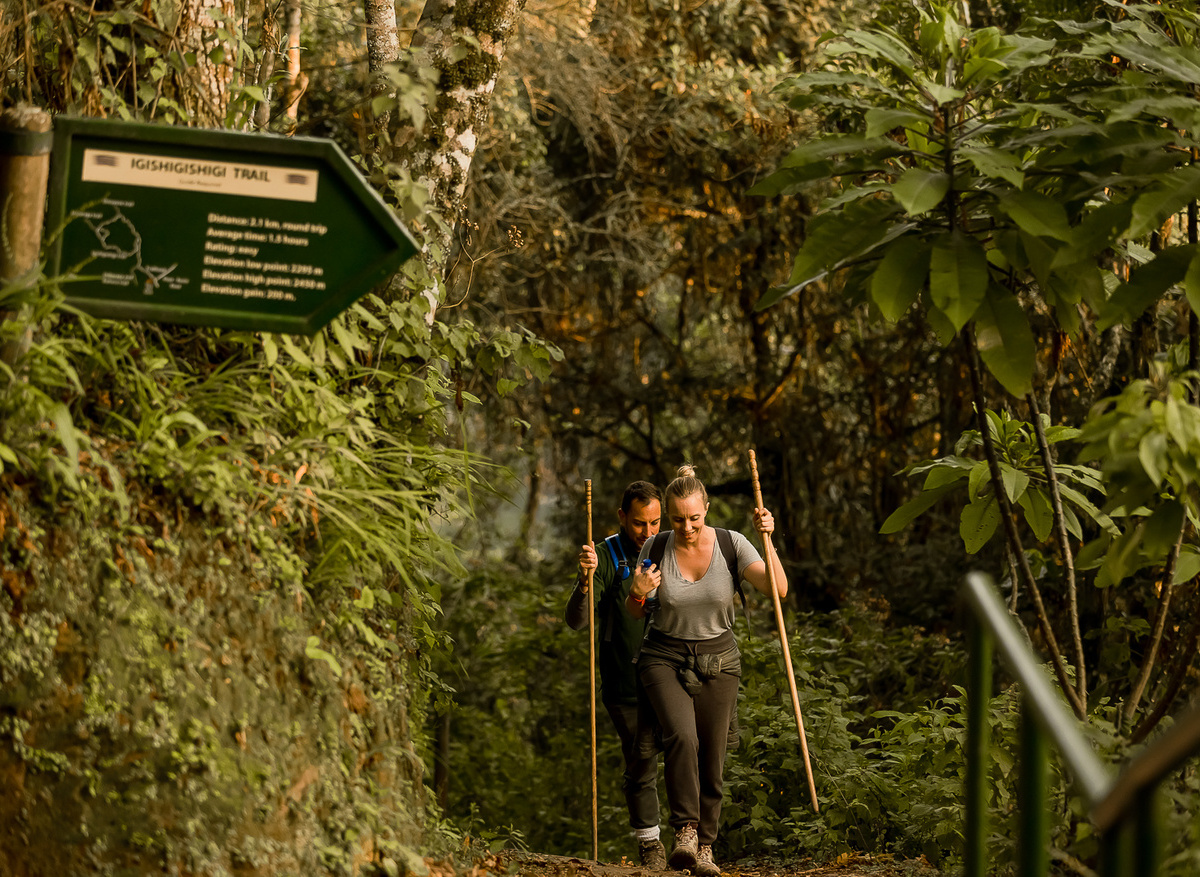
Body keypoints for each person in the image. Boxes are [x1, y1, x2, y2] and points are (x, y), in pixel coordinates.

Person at [626, 465, 788, 877]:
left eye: (694, 518)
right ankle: (686, 830)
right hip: (663, 653)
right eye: (678, 519)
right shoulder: (657, 547)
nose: (686, 527)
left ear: (706, 511)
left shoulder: (733, 544)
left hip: (720, 657)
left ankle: (706, 849)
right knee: (682, 736)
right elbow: (634, 609)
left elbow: (778, 588)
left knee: (713, 749)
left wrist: (768, 539)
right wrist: (638, 594)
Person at [565, 480, 667, 868]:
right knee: (641, 759)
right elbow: (576, 621)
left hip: (673, 673)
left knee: (682, 753)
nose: (648, 533)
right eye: (640, 524)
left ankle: (692, 839)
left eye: (655, 523)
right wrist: (584, 581)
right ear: (623, 517)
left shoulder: (669, 546)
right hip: (624, 681)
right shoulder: (606, 555)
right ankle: (650, 844)